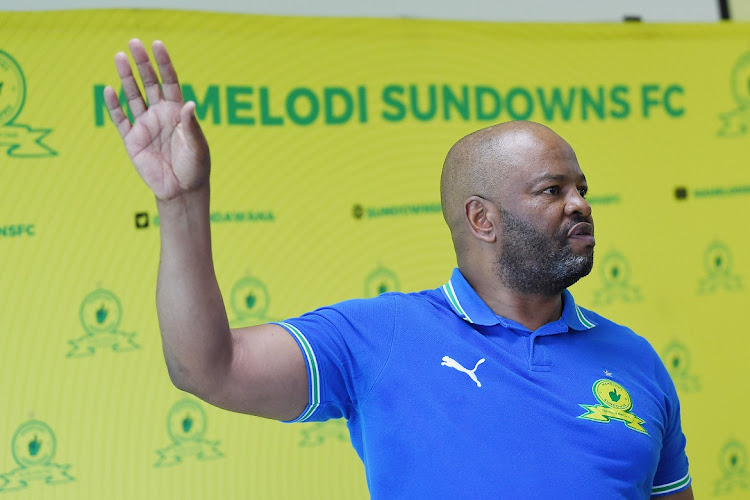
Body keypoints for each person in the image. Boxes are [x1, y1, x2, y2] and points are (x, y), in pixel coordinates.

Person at [105, 39, 693, 499]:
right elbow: (209, 367)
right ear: (481, 219)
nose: (580, 204)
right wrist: (182, 204)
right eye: (551, 189)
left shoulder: (636, 360)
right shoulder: (380, 335)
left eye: (581, 188)